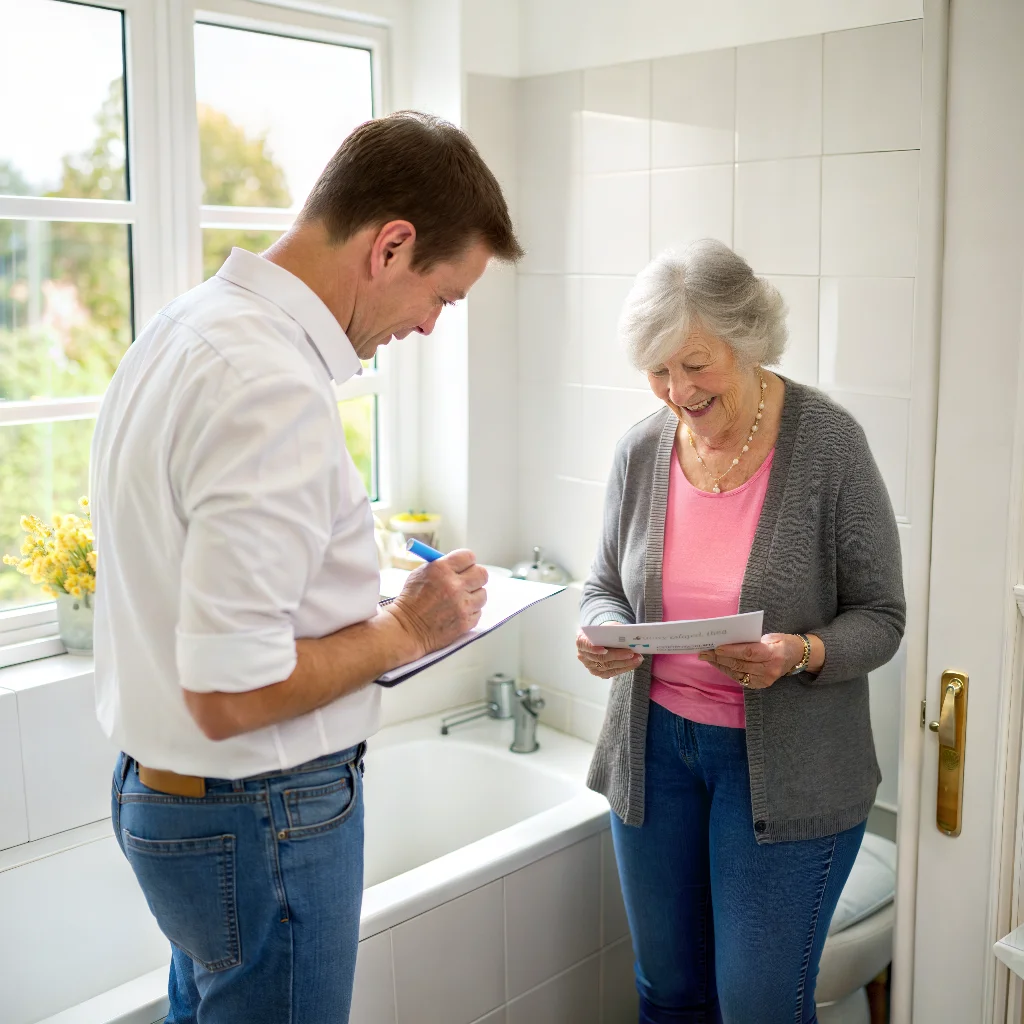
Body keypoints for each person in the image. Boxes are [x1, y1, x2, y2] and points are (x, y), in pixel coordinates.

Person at [91, 111, 522, 1024]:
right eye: (442, 296)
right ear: (392, 245)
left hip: (173, 798)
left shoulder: (186, 328)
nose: (431, 327)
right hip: (259, 815)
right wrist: (408, 628)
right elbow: (230, 695)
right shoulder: (270, 385)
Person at [575, 238, 905, 1023]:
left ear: (747, 339)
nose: (675, 390)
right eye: (658, 370)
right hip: (652, 755)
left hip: (789, 773)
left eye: (694, 365)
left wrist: (799, 653)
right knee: (668, 992)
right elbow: (600, 588)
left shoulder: (829, 446)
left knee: (756, 1004)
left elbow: (883, 617)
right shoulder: (641, 448)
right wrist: (601, 632)